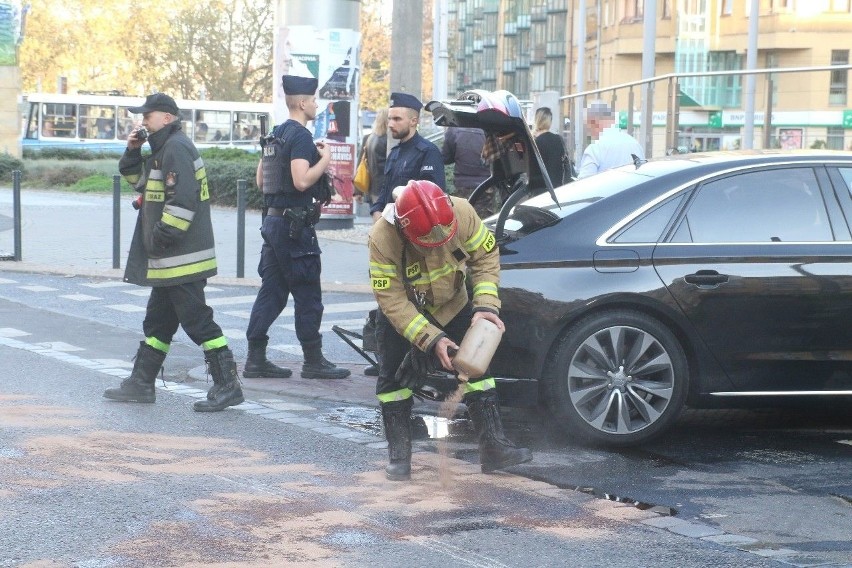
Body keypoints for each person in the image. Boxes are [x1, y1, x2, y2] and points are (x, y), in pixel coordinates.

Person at [368, 179, 533, 481]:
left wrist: (485, 305)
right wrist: (430, 340)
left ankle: (494, 450)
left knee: (479, 374)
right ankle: (399, 456)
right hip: (406, 312)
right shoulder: (382, 238)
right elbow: (391, 298)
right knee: (394, 381)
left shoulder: (462, 212)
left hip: (454, 303)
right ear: (405, 229)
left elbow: (485, 257)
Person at [103, 93, 243, 412]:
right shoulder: (162, 149)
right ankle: (141, 383)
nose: (143, 120)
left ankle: (228, 384)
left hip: (181, 258)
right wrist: (132, 150)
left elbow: (184, 201)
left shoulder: (176, 148)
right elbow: (137, 181)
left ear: (166, 117)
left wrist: (159, 237)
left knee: (197, 322)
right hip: (170, 260)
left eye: (148, 115)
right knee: (158, 323)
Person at [242, 75, 350, 381]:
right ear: (302, 103)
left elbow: (262, 182)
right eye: (314, 100)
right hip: (294, 227)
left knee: (272, 291)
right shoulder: (301, 136)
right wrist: (325, 160)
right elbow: (302, 180)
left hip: (273, 222)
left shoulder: (275, 135)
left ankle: (255, 359)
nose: (316, 105)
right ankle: (313, 361)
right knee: (307, 293)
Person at [369, 92, 446, 221]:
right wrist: (376, 211)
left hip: (414, 230)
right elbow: (385, 191)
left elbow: (433, 198)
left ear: (413, 121)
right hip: (389, 228)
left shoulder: (427, 152)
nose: (390, 124)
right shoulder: (395, 152)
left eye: (397, 119)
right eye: (389, 118)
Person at [577, 100, 644, 179]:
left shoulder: (595, 148)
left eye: (587, 125)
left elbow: (584, 183)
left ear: (593, 121)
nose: (588, 130)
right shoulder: (635, 144)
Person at [442, 126, 496, 218]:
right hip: (485, 184)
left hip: (463, 185)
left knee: (464, 220)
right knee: (485, 221)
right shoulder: (488, 127)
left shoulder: (454, 130)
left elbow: (445, 158)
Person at [357, 108, 389, 207]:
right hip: (384, 189)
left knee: (376, 218)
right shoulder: (388, 141)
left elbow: (360, 164)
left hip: (370, 187)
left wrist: (358, 191)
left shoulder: (368, 138)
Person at [533, 107, 568, 188]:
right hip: (558, 187)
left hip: (539, 190)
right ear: (550, 121)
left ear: (536, 120)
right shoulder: (558, 139)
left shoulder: (534, 141)